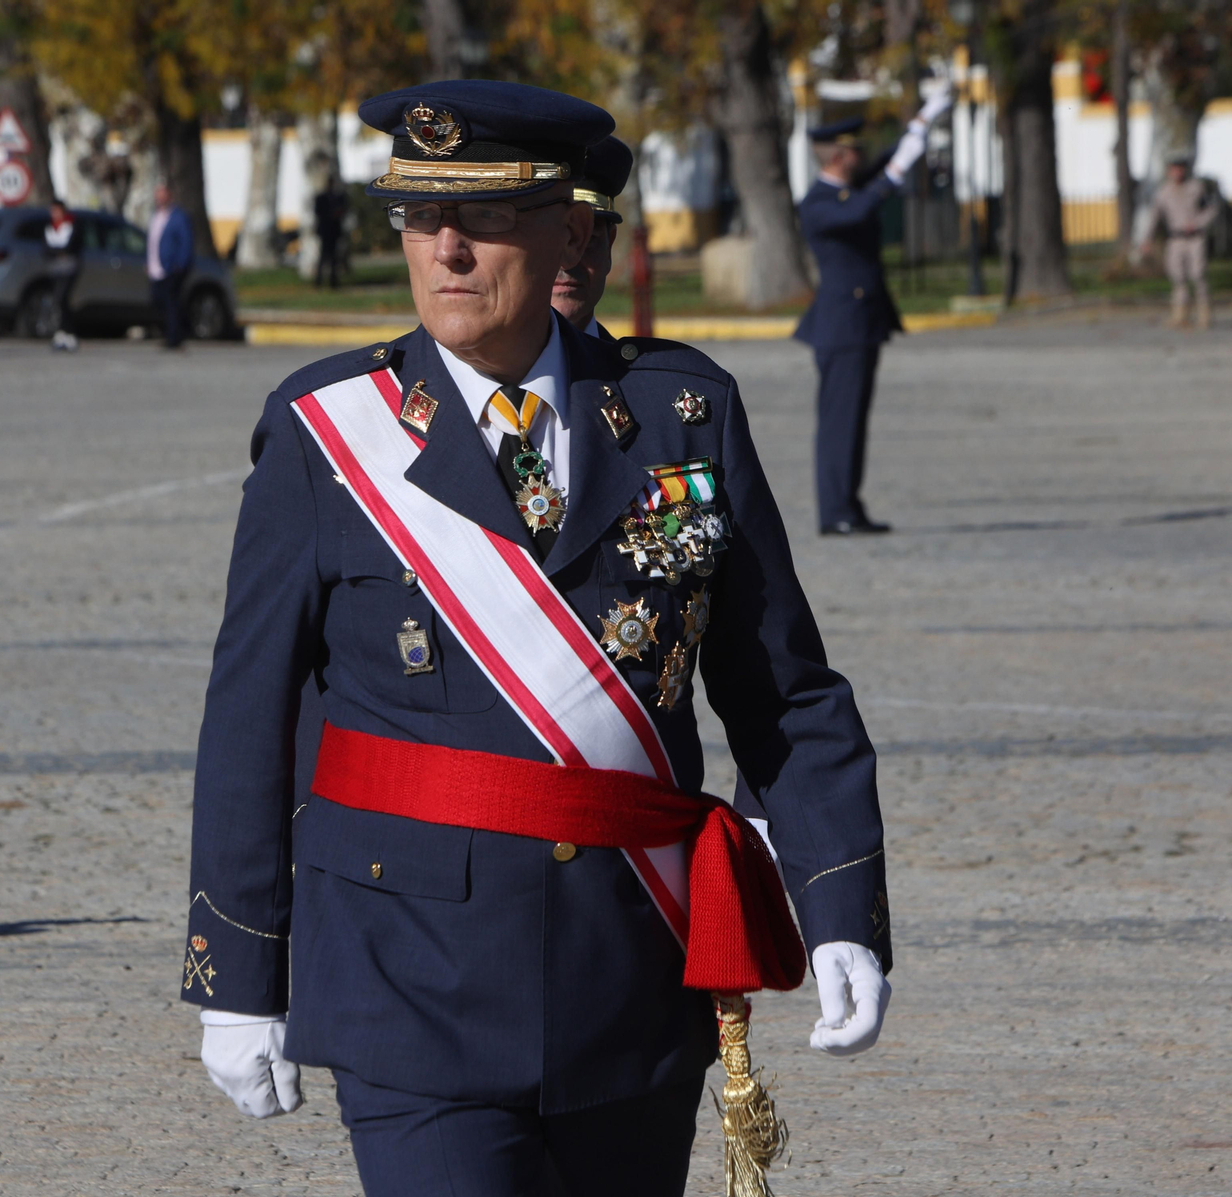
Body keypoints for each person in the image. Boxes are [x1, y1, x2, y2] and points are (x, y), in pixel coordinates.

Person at [183, 80, 892, 1197]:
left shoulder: (678, 415)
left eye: (487, 217)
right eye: (421, 219)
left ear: (568, 228)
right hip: (407, 979)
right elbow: (249, 719)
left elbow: (781, 689)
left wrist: (838, 900)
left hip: (632, 967)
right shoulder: (329, 432)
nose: (448, 250)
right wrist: (237, 976)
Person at [795, 90, 952, 536]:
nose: (863, 157)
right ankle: (836, 511)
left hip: (856, 326)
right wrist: (899, 169)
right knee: (840, 423)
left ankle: (847, 504)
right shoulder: (819, 203)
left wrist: (918, 127)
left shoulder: (843, 191)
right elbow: (866, 204)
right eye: (857, 151)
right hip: (842, 327)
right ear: (841, 156)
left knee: (852, 421)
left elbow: (879, 172)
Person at [551, 136, 634, 339]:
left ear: (609, 247)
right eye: (552, 239)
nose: (568, 262)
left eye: (587, 240)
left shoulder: (648, 371)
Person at [1144, 154, 1218, 330]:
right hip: (1175, 239)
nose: (1177, 172)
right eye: (1174, 169)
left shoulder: (1196, 188)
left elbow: (1211, 209)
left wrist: (1198, 223)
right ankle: (1180, 315)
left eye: (1180, 168)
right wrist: (1147, 239)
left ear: (1185, 170)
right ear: (1169, 171)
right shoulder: (1163, 192)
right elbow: (1155, 217)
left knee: (1198, 275)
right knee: (1177, 277)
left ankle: (1204, 316)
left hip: (1195, 239)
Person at [147, 183, 194, 348]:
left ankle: (174, 337)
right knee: (159, 301)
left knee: (171, 303)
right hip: (156, 268)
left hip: (172, 268)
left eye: (163, 195)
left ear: (169, 196)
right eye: (157, 195)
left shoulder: (177, 216)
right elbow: (153, 242)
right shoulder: (155, 216)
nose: (159, 199)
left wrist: (180, 264)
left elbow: (185, 242)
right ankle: (176, 330)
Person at [44, 199, 81, 352]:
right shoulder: (49, 228)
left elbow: (71, 247)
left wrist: (60, 252)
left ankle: (69, 333)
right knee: (57, 300)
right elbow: (46, 249)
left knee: (63, 298)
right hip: (55, 269)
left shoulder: (70, 225)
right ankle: (61, 333)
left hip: (69, 268)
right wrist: (58, 253)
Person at [314, 173, 349, 289]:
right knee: (324, 256)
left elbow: (345, 210)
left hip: (334, 231)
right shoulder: (321, 198)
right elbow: (318, 213)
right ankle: (319, 280)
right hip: (325, 231)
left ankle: (333, 280)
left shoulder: (338, 197)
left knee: (334, 257)